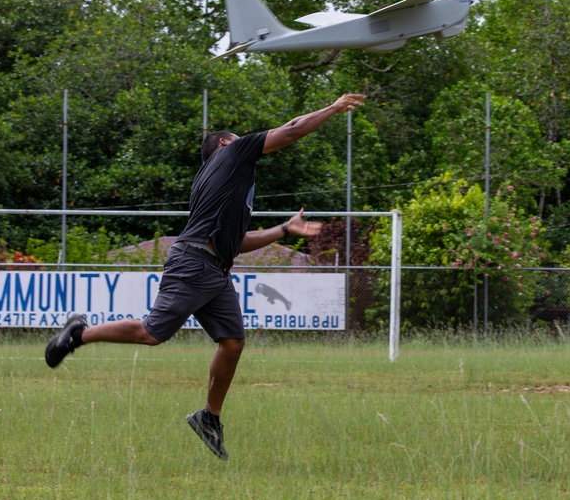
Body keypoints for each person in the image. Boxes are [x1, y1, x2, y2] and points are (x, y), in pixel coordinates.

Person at [44, 92, 366, 460]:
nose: (249, 141)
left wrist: (284, 230)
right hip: (195, 264)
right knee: (152, 333)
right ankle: (78, 334)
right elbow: (291, 131)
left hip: (213, 268)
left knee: (232, 343)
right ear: (226, 144)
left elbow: (236, 243)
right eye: (238, 138)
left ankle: (208, 418)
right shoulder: (233, 153)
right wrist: (333, 107)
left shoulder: (224, 185)